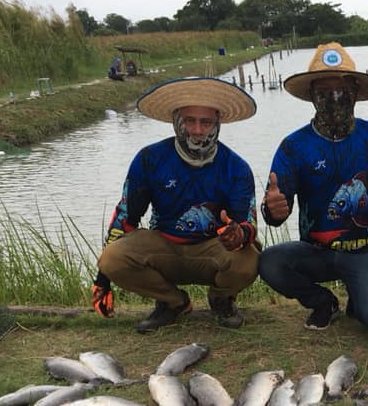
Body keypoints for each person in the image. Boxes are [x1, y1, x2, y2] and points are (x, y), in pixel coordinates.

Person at [259, 42, 368, 331]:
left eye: (343, 90)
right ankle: (322, 302)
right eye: (324, 92)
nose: (335, 98)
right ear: (311, 96)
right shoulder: (294, 145)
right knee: (269, 263)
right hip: (315, 251)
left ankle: (362, 292)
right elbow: (277, 210)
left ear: (355, 93)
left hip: (367, 249)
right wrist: (273, 210)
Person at [91, 76, 260, 333]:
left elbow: (248, 225)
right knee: (112, 258)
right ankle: (173, 302)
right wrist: (103, 279)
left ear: (217, 124)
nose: (197, 130)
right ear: (176, 121)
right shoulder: (149, 159)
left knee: (250, 260)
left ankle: (221, 299)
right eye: (189, 121)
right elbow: (126, 217)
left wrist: (238, 234)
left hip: (212, 248)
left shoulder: (237, 167)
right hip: (164, 246)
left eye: (205, 122)